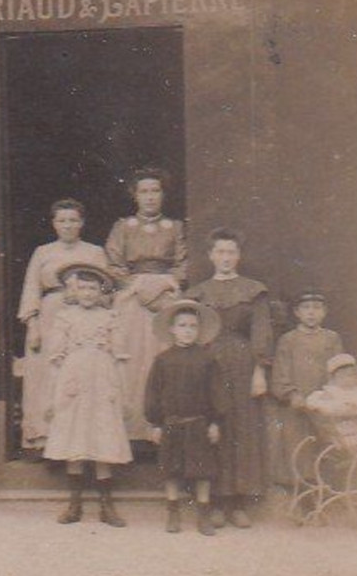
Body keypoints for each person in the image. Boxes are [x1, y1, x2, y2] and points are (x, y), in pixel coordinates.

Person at [189, 228, 274, 529]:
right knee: (212, 430)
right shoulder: (197, 292)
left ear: (239, 255)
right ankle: (213, 502)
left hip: (242, 363)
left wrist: (260, 371)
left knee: (240, 430)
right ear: (211, 255)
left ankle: (237, 503)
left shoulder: (253, 290)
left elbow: (261, 331)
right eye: (220, 252)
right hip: (208, 363)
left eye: (231, 252)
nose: (225, 258)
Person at [16, 199, 109, 455]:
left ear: (82, 223)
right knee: (45, 374)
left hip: (85, 318)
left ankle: (79, 439)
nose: (68, 225)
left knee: (79, 375)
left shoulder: (95, 252)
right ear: (54, 223)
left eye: (73, 220)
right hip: (50, 315)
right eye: (62, 220)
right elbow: (31, 289)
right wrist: (33, 325)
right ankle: (42, 437)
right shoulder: (43, 252)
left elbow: (107, 291)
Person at [44, 263, 132, 527]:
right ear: (74, 290)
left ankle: (107, 506)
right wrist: (53, 394)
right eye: (82, 288)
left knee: (103, 435)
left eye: (93, 288)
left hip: (102, 378)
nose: (88, 293)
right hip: (74, 379)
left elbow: (119, 355)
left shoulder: (110, 317)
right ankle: (75, 504)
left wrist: (123, 392)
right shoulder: (65, 317)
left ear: (101, 291)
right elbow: (56, 357)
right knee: (76, 438)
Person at [105, 168, 189, 442]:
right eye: (144, 191)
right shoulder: (123, 227)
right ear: (135, 195)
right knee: (132, 359)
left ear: (163, 195)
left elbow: (183, 264)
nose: (150, 197)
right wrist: (137, 288)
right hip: (132, 296)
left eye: (155, 191)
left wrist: (165, 286)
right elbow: (113, 263)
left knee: (163, 357)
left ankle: (165, 431)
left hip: (166, 294)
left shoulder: (175, 227)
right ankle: (132, 432)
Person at [144, 298, 226, 535]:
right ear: (172, 329)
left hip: (199, 422)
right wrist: (155, 423)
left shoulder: (207, 359)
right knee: (171, 469)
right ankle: (173, 512)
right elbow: (153, 392)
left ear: (199, 330)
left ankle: (203, 513)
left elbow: (217, 393)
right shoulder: (163, 360)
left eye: (192, 326)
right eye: (182, 326)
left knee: (203, 470)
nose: (187, 331)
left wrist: (215, 422)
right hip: (171, 423)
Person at [270, 289, 345, 490]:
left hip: (324, 405)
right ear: (297, 312)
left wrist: (334, 394)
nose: (311, 313)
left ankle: (327, 494)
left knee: (326, 448)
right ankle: (303, 498)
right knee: (299, 450)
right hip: (297, 407)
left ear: (324, 312)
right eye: (306, 308)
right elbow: (280, 372)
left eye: (316, 308)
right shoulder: (288, 340)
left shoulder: (332, 338)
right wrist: (291, 393)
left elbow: (340, 369)